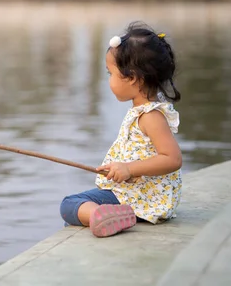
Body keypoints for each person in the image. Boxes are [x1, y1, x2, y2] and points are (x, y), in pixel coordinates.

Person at [60, 22, 183, 238]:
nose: (109, 80)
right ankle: (110, 216)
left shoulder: (151, 116)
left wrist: (129, 169)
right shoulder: (142, 111)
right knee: (78, 203)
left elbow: (172, 159)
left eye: (111, 73)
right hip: (141, 198)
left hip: (139, 199)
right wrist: (122, 168)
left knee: (70, 204)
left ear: (133, 78)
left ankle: (103, 216)